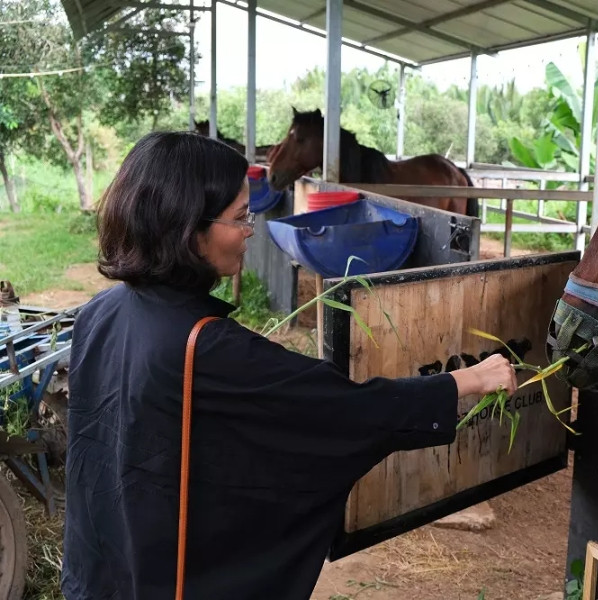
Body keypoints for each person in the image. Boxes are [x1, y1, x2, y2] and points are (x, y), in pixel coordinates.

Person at [61, 132, 518, 600]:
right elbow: (341, 412)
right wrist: (464, 379)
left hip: (99, 570)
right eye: (240, 218)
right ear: (187, 229)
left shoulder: (99, 313)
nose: (249, 231)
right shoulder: (206, 348)